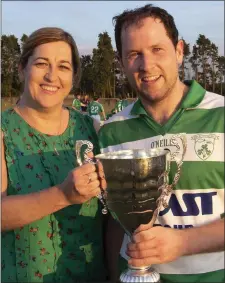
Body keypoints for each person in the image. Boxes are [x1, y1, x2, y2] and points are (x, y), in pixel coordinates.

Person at [98, 4, 224, 283]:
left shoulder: (221, 116)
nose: (146, 65)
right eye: (134, 54)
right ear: (121, 63)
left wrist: (182, 243)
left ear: (179, 51)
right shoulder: (111, 132)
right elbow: (115, 223)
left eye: (157, 49)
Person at [1, 27, 108, 283]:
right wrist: (61, 195)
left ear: (73, 77)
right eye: (41, 64)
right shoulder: (3, 132)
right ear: (21, 68)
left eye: (63, 67)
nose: (51, 76)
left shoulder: (92, 129)